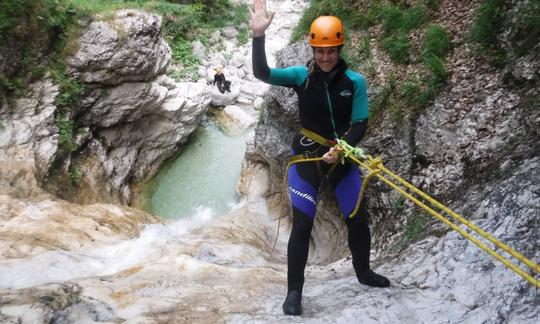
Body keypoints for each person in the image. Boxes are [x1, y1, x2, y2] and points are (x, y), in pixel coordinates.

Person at [250, 0, 390, 316]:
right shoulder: (302, 77)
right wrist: (258, 36)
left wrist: (341, 148)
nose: (325, 57)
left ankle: (364, 273)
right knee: (302, 223)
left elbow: (360, 123)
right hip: (307, 155)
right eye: (320, 51)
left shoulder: (354, 82)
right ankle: (294, 293)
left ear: (339, 49)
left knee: (357, 216)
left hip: (341, 153)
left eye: (331, 51)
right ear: (312, 50)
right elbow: (263, 73)